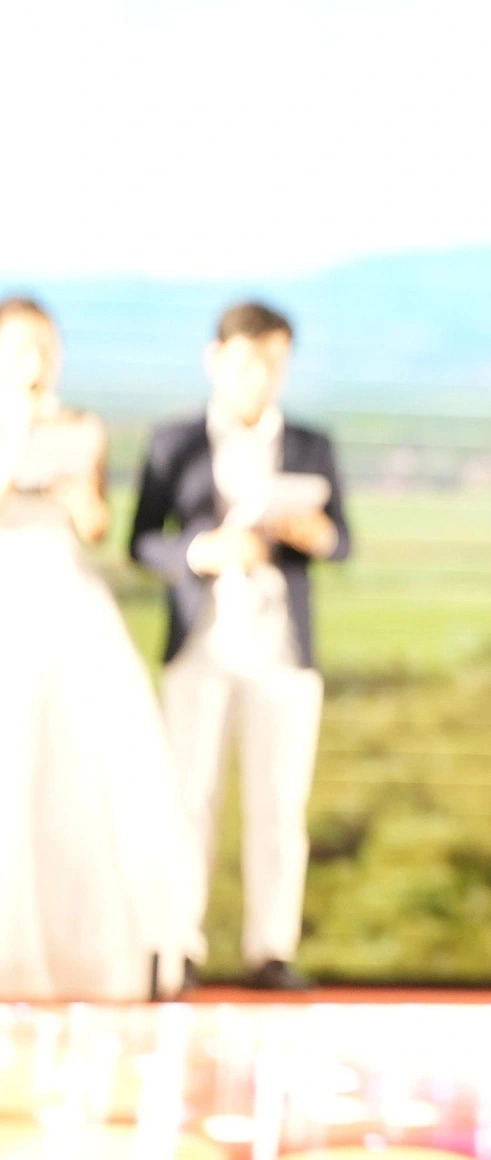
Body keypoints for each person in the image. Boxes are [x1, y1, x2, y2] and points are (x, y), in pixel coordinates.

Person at [129, 301, 351, 993]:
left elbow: (341, 538)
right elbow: (143, 540)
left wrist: (314, 535)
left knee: (280, 805)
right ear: (217, 360)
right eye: (251, 359)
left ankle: (270, 949)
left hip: (282, 646)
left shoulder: (312, 446)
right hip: (202, 640)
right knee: (187, 800)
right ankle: (177, 945)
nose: (263, 375)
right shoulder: (175, 443)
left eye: (276, 361)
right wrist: (203, 550)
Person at [0, 297, 190, 1000]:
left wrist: (81, 500)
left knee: (87, 764)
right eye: (21, 345)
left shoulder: (80, 426)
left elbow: (98, 523)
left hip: (68, 595)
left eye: (46, 345)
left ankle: (83, 950)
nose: (35, 358)